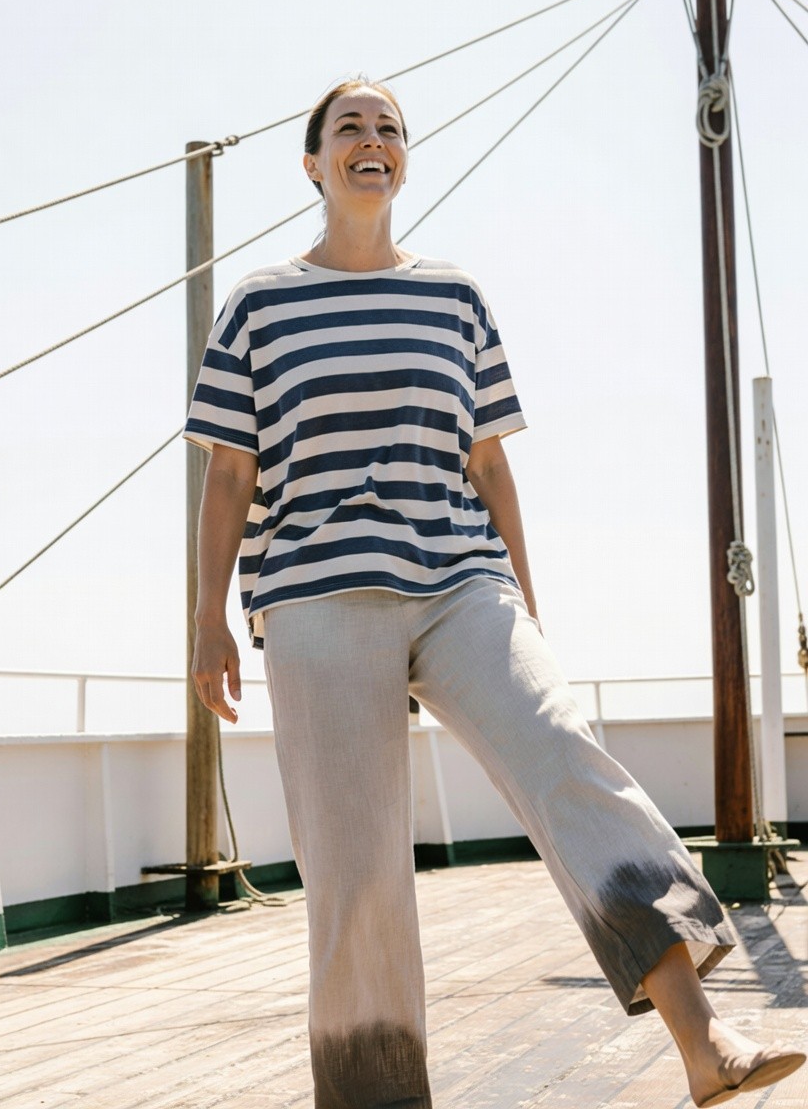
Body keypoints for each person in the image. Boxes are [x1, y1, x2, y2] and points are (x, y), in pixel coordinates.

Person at [184, 78, 804, 1109]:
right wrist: (207, 619)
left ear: (403, 159)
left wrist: (523, 593)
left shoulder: (454, 295)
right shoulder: (259, 302)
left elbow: (490, 461)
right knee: (358, 881)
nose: (371, 140)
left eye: (389, 128)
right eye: (350, 128)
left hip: (459, 578)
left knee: (566, 755)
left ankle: (705, 1041)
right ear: (312, 164)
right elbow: (230, 473)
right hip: (317, 595)